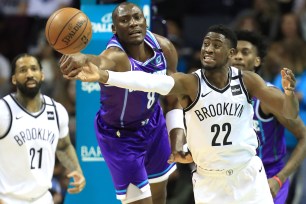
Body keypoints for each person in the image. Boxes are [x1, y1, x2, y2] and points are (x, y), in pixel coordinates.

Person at [60, 24, 300, 203]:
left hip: (248, 175)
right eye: (206, 44)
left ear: (230, 53)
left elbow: (289, 113)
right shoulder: (190, 83)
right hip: (210, 182)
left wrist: (289, 93)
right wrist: (104, 76)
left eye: (216, 45)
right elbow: (149, 82)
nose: (208, 49)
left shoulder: (249, 81)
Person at [60, 2, 187, 204]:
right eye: (124, 20)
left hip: (154, 124)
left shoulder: (165, 48)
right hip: (120, 136)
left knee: (159, 197)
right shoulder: (116, 56)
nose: (133, 23)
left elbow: (176, 97)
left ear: (146, 21)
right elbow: (100, 61)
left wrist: (178, 137)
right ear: (114, 29)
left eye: (137, 17)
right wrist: (83, 58)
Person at [230, 30, 306, 204]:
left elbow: (304, 136)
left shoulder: (268, 97)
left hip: (267, 178)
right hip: (232, 178)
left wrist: (280, 179)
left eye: (245, 52)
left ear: (257, 61)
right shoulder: (214, 95)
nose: (238, 57)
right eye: (234, 52)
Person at [0, 53, 85, 204]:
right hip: (8, 199)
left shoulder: (57, 110)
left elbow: (64, 146)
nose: (29, 74)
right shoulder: (3, 111)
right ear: (13, 79)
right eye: (23, 70)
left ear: (42, 75)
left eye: (34, 69)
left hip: (43, 198)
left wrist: (76, 169)